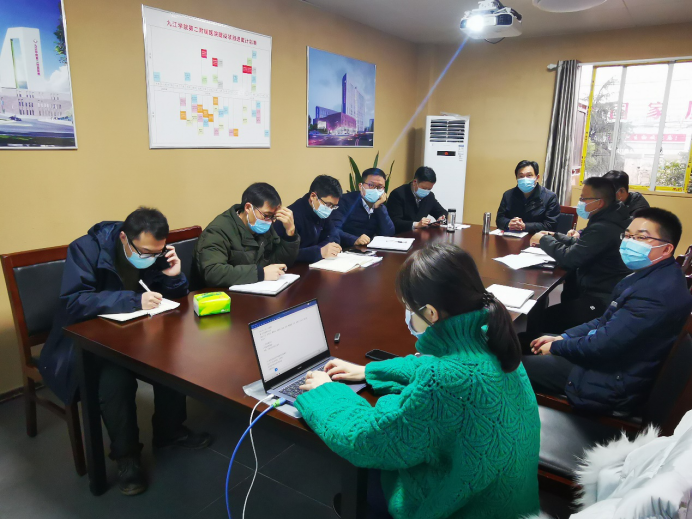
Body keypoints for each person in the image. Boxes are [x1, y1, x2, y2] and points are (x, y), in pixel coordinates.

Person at [295, 243, 541, 519]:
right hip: (512, 500)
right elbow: (431, 366)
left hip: (468, 509)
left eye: (409, 308)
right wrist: (369, 371)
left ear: (430, 313)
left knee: (368, 475)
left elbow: (368, 439)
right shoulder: (491, 337)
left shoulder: (444, 381)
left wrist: (325, 392)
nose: (408, 315)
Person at [39, 208, 211, 496]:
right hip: (91, 341)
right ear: (124, 238)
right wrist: (133, 300)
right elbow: (74, 302)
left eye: (157, 252)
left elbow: (173, 297)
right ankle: (126, 456)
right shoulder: (86, 249)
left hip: (138, 333)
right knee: (115, 379)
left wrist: (174, 277)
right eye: (145, 252)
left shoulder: (155, 250)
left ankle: (169, 432)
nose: (150, 258)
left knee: (171, 357)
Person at [524, 208, 691, 416]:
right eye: (628, 236)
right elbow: (605, 321)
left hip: (611, 380)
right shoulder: (650, 275)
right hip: (613, 361)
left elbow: (601, 345)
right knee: (522, 341)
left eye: (641, 237)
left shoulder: (656, 293)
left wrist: (558, 346)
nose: (630, 242)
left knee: (512, 365)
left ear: (666, 249)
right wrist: (563, 337)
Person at [529, 177, 632, 331]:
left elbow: (569, 259)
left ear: (599, 203)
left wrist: (544, 240)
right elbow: (585, 245)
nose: (580, 202)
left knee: (542, 319)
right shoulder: (613, 217)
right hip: (602, 289)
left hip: (600, 299)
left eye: (583, 198)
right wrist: (555, 236)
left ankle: (537, 341)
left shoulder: (604, 227)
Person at [194, 183, 300, 287]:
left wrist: (290, 232)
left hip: (257, 289)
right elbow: (213, 273)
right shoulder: (217, 230)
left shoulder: (263, 225)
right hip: (221, 294)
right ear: (248, 208)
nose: (270, 221)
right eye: (267, 215)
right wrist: (261, 273)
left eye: (273, 217)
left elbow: (280, 262)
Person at [274, 175, 343, 263]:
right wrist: (319, 251)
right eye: (328, 204)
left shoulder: (322, 211)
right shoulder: (292, 216)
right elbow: (284, 255)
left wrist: (322, 249)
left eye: (333, 206)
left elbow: (334, 236)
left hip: (317, 264)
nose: (330, 209)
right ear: (313, 196)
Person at [331, 168, 395, 248]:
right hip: (345, 249)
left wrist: (379, 208)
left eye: (380, 187)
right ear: (361, 186)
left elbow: (388, 234)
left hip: (367, 250)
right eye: (371, 185)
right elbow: (334, 229)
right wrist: (355, 239)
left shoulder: (380, 206)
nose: (375, 190)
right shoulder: (344, 201)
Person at [496, 160, 560, 233]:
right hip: (511, 237)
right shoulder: (508, 195)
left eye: (529, 175)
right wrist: (509, 223)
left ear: (537, 178)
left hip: (536, 238)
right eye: (521, 176)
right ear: (517, 178)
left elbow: (551, 226)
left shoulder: (550, 197)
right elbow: (499, 219)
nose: (525, 179)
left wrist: (525, 226)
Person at [386, 166, 447, 234]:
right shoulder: (398, 194)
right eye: (424, 188)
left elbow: (442, 212)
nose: (426, 191)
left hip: (419, 235)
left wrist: (441, 218)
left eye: (429, 189)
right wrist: (416, 224)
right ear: (415, 182)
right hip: (400, 236)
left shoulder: (429, 196)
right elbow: (394, 222)